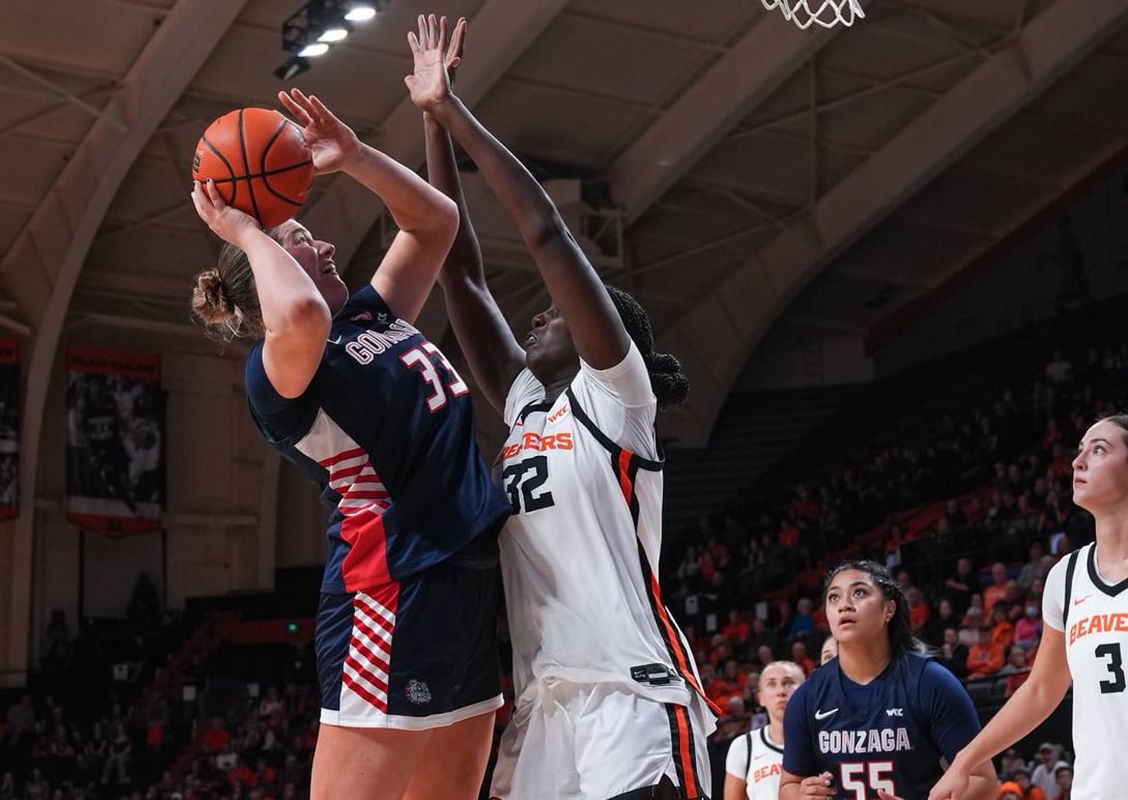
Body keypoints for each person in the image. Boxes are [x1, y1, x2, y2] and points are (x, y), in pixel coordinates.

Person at [408, 15, 715, 800]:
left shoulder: (617, 401)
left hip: (632, 694)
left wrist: (458, 114)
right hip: (547, 704)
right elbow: (461, 275)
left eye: (556, 315)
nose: (538, 317)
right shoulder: (525, 413)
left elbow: (545, 232)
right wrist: (428, 121)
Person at [189, 85, 509, 800]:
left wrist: (357, 155)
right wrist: (246, 232)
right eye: (303, 243)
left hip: (461, 573)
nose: (327, 243)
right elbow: (297, 312)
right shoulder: (281, 370)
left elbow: (436, 223)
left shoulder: (368, 315)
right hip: (391, 587)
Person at [931, 415, 1128, 800]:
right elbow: (1040, 690)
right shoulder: (1066, 577)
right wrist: (964, 761)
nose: (1078, 461)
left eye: (1099, 450)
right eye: (1079, 451)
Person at [778, 561, 997, 800]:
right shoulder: (808, 696)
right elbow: (789, 785)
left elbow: (982, 780)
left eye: (859, 592)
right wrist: (801, 796)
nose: (844, 605)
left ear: (888, 609)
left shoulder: (931, 682)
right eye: (834, 597)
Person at [725, 662, 804, 800]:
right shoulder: (744, 746)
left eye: (788, 682)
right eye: (772, 684)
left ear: (805, 691)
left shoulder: (823, 742)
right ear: (761, 698)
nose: (781, 691)